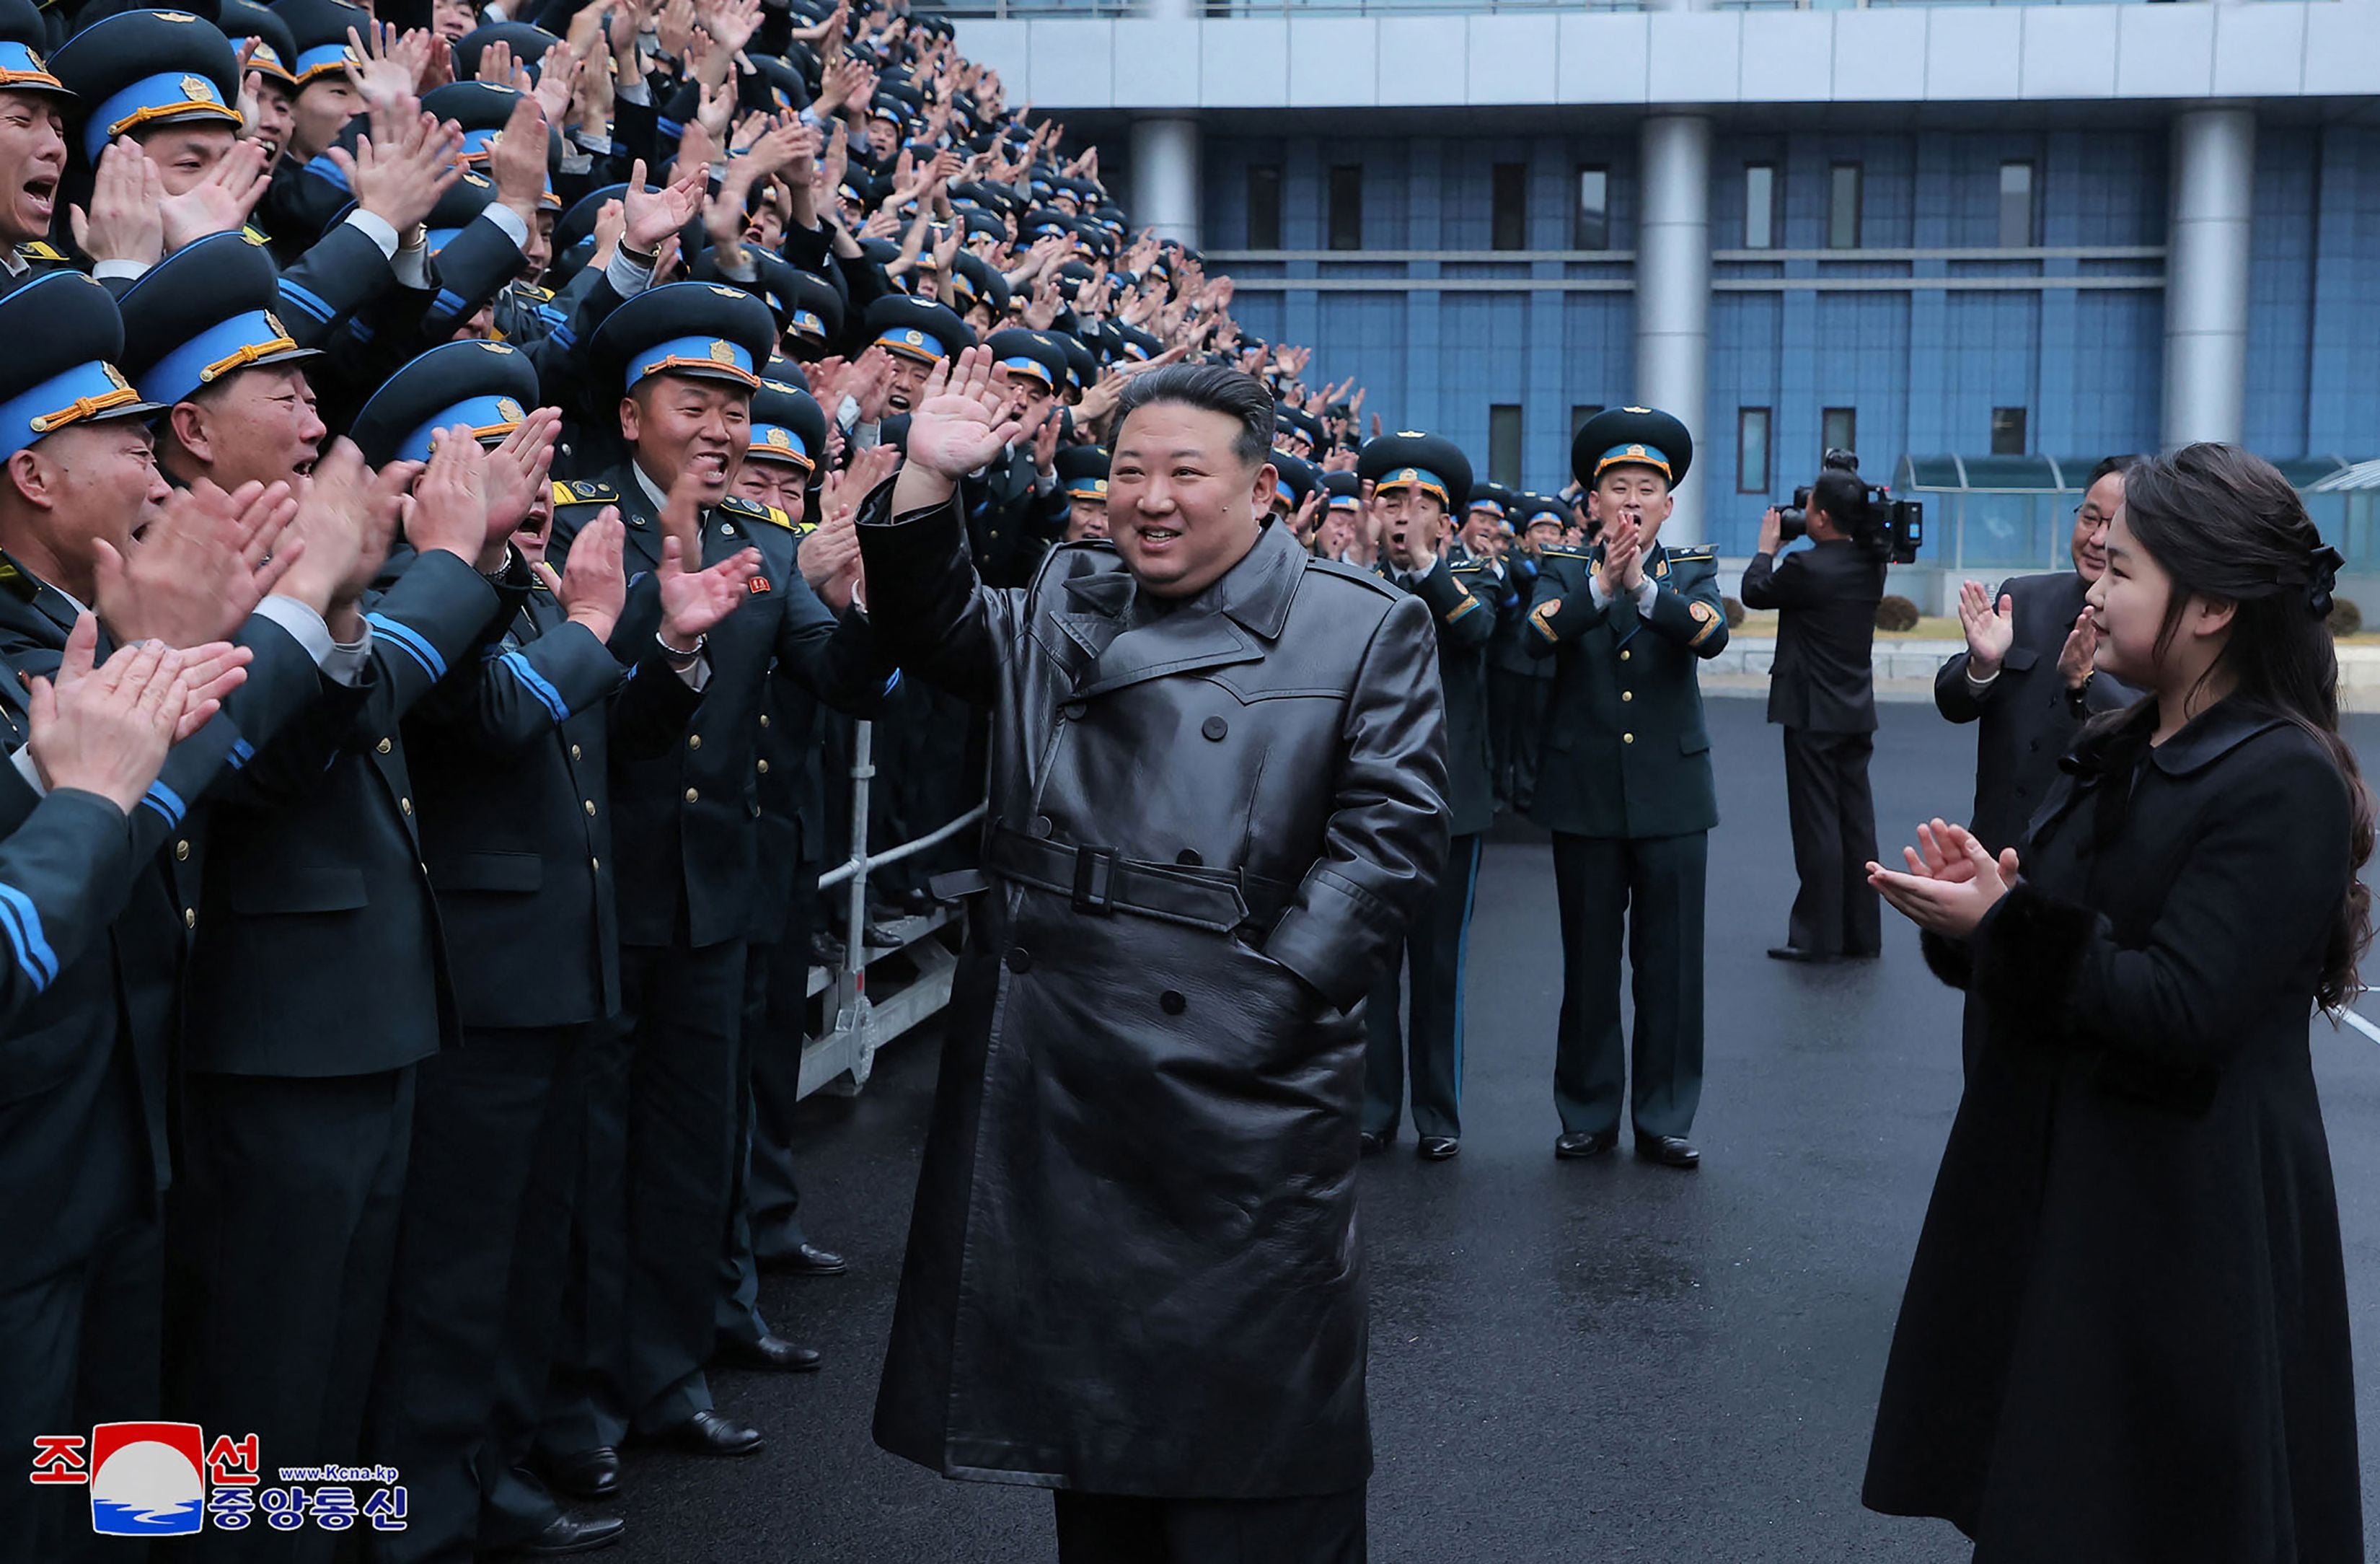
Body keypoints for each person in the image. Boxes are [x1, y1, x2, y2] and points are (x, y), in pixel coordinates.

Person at [850, 354, 1448, 1563]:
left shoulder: (1365, 623)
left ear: (1265, 486)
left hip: (1238, 1087)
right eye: (1130, 471)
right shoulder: (1073, 589)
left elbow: (1387, 845)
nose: (1151, 498)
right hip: (1066, 1076)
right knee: (1098, 1444)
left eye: (1186, 471)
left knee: (1261, 1448)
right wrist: (927, 480)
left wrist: (1259, 1012)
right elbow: (941, 631)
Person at [1862, 443, 2368, 1560]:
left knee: (2146, 1511)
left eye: (2125, 569)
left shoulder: (2282, 776)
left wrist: (2004, 926)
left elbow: (2184, 1006)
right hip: (2082, 1196)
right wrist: (1982, 909)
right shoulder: (2130, 735)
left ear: (2214, 608)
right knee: (2056, 1499)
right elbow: (2064, 932)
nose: (2093, 581)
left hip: (2183, 1224)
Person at [537, 281, 883, 1493]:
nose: (725, 427)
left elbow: (852, 681)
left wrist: (864, 595)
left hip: (713, 903)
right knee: (590, 1160)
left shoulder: (768, 545)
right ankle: (577, 1406)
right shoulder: (576, 526)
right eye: (700, 402)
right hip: (591, 895)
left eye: (739, 404)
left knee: (691, 1150)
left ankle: (668, 1378)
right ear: (633, 414)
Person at [1527, 407, 1727, 1169]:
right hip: (1584, 793)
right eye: (1618, 487)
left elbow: (1711, 634)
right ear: (1592, 502)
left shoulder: (1692, 569)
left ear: (1669, 504)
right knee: (1589, 962)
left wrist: (1643, 588)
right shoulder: (1558, 568)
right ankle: (1586, 1110)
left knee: (1672, 965)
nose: (1632, 501)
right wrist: (1603, 587)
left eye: (1648, 487)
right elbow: (1535, 635)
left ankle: (1666, 1115)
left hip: (1673, 794)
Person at [1357, 429, 1494, 1161]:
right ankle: (1373, 1108)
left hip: (1450, 804)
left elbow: (1477, 630)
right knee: (1372, 964)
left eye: (1423, 502)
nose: (1406, 512)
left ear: (1449, 520)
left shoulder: (1474, 578)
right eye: (1392, 499)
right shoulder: (1352, 580)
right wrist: (1375, 560)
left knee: (1439, 967)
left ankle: (1438, 1113)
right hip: (1368, 802)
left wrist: (1428, 570)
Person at [1935, 454, 2134, 856]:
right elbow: (1952, 702)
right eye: (2090, 519)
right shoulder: (2024, 598)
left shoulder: (2151, 629)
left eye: (2114, 527)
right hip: (1992, 851)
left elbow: (2134, 745)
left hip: (2085, 863)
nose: (2096, 538)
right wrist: (1982, 666)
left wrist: (2085, 682)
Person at [1741, 462, 1886, 963]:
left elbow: (1754, 592)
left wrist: (1766, 549)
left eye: (1808, 508)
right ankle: (1862, 935)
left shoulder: (1807, 568)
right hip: (1854, 710)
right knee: (1856, 825)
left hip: (1811, 711)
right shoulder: (1872, 562)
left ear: (1821, 518)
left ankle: (1817, 936)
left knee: (1817, 826)